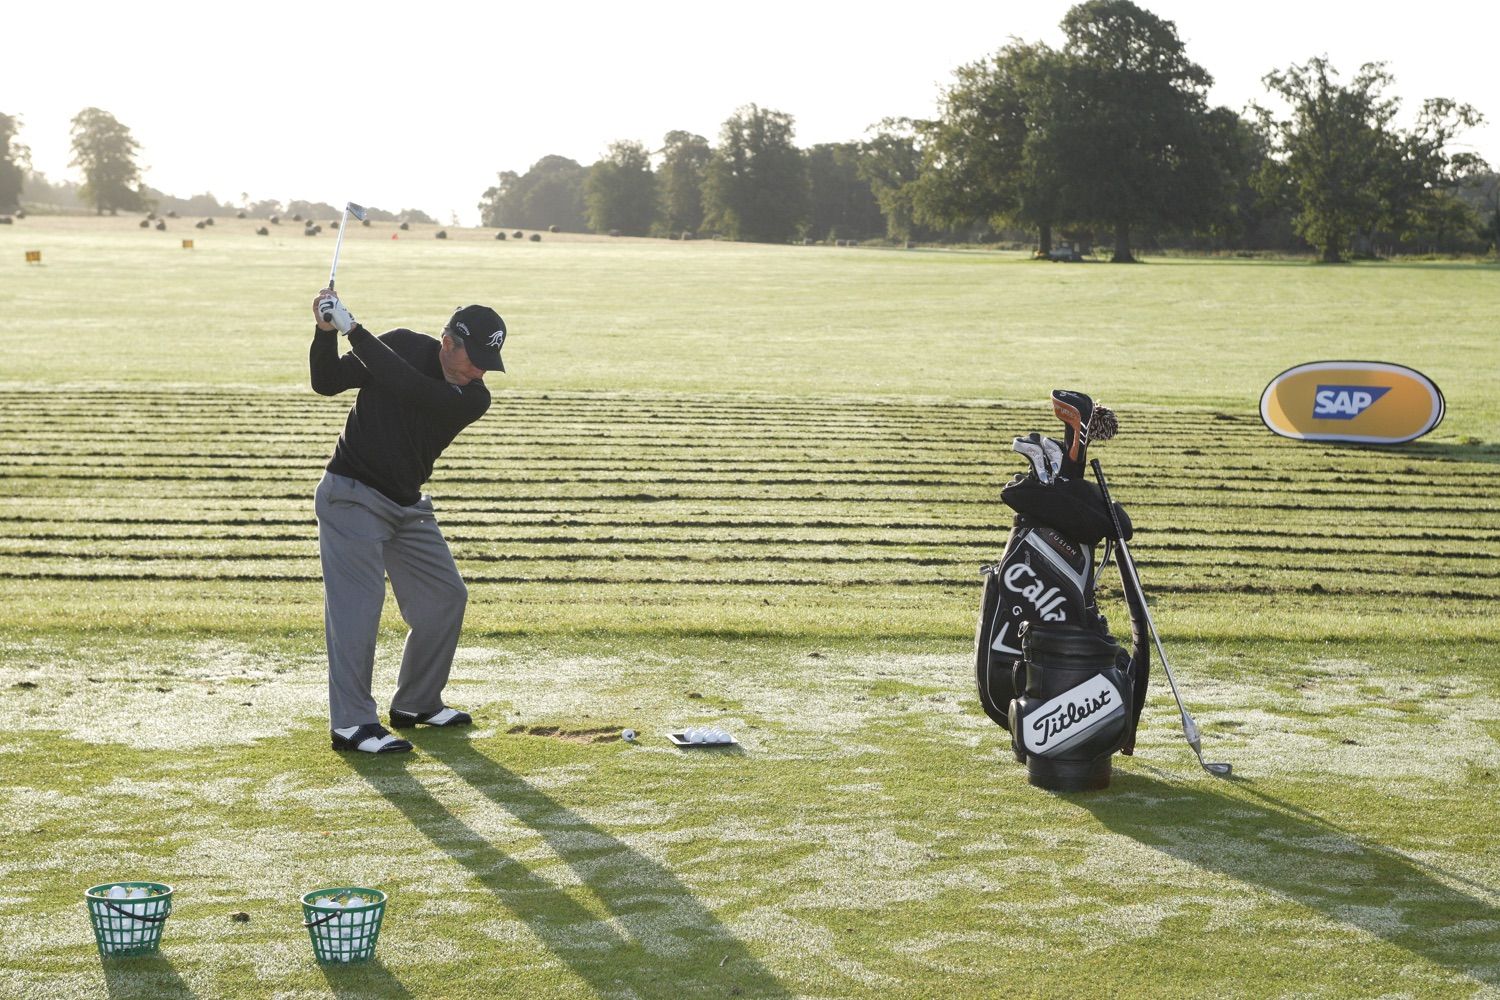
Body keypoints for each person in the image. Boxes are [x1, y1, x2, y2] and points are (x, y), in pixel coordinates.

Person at [308, 289, 507, 752]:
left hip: (407, 505)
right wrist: (325, 332)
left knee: (445, 597)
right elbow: (326, 381)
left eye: (487, 361)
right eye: (473, 356)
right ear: (447, 341)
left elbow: (407, 386)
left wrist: (353, 330)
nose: (478, 369)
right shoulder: (400, 344)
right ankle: (352, 725)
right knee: (358, 608)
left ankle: (417, 703)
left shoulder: (472, 398)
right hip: (351, 497)